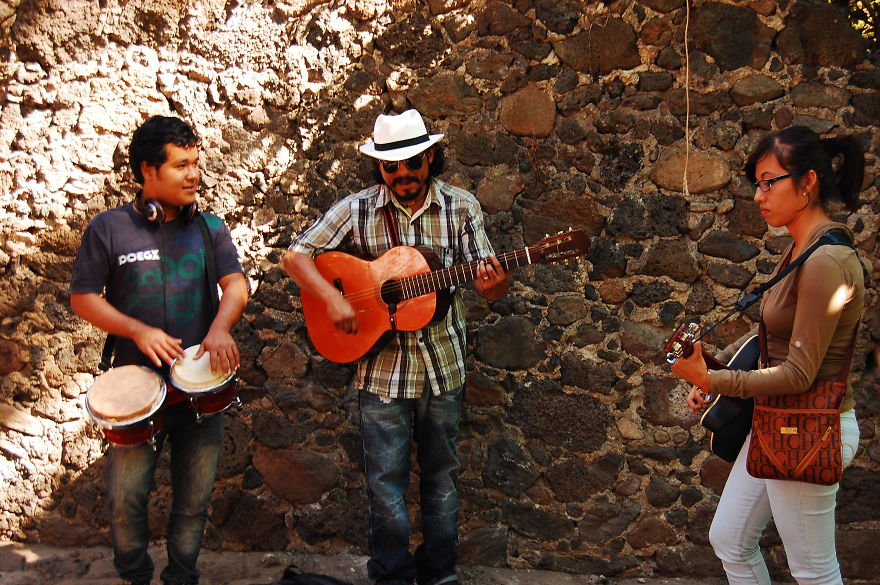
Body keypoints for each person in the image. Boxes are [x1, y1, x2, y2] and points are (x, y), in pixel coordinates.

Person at [282, 109, 509, 585]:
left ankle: (439, 573)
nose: (402, 173)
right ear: (379, 167)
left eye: (412, 162)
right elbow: (295, 255)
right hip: (381, 371)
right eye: (390, 166)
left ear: (431, 157)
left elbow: (487, 282)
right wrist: (330, 298)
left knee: (442, 475)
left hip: (442, 365)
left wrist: (494, 285)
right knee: (384, 482)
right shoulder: (357, 209)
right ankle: (391, 576)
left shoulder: (461, 207)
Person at [670, 125, 865, 585]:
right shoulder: (801, 250)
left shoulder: (825, 262)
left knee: (814, 571)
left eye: (768, 182)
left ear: (808, 181)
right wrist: (715, 372)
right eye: (757, 184)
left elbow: (798, 374)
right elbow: (773, 343)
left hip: (809, 428)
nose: (758, 196)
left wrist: (711, 380)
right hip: (777, 422)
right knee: (730, 540)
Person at [70, 115, 249, 585]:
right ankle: (135, 576)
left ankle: (181, 577)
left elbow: (235, 284)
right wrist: (138, 331)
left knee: (194, 502)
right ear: (148, 171)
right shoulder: (109, 228)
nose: (194, 175)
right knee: (125, 501)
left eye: (196, 163)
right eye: (181, 165)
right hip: (135, 390)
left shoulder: (209, 228)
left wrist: (221, 327)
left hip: (200, 388)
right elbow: (83, 297)